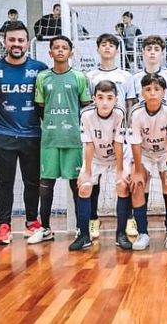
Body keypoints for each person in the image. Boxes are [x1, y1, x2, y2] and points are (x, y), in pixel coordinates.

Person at [0, 21, 48, 245]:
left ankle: (32, 223)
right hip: (3, 134)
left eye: (21, 40)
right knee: (4, 182)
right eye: (12, 40)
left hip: (32, 135)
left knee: (32, 182)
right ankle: (4, 226)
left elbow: (46, 101)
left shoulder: (39, 68)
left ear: (27, 43)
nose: (16, 44)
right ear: (5, 42)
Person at [29, 36, 91, 244]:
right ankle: (45, 227)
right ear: (50, 52)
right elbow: (40, 106)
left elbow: (86, 106)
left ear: (71, 53)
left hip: (73, 139)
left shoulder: (79, 77)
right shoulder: (42, 77)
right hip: (49, 140)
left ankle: (81, 229)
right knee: (46, 183)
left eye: (65, 48)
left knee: (76, 185)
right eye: (56, 47)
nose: (60, 51)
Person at [86, 33, 136, 239]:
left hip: (120, 135)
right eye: (103, 44)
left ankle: (128, 219)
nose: (107, 48)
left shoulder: (126, 76)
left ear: (117, 50)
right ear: (98, 49)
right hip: (98, 136)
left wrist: (130, 130)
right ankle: (92, 219)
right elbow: (88, 106)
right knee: (93, 180)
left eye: (111, 45)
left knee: (124, 179)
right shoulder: (90, 76)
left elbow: (130, 104)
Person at [73, 80, 129, 251]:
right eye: (101, 98)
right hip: (95, 156)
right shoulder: (86, 114)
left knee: (122, 185)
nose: (105, 102)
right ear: (94, 99)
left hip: (117, 156)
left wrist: (120, 171)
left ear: (116, 100)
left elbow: (118, 143)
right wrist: (87, 172)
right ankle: (84, 235)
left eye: (109, 98)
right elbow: (88, 145)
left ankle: (121, 234)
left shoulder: (120, 113)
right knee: (84, 187)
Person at [129, 74, 167, 251]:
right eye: (148, 89)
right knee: (136, 184)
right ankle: (142, 233)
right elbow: (135, 144)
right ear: (141, 92)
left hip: (166, 151)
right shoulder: (136, 112)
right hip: (144, 153)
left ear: (164, 92)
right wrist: (136, 170)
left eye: (157, 89)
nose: (152, 93)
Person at [133, 35, 167, 102]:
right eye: (149, 49)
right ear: (143, 53)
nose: (152, 52)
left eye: (156, 49)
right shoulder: (135, 77)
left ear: (162, 54)